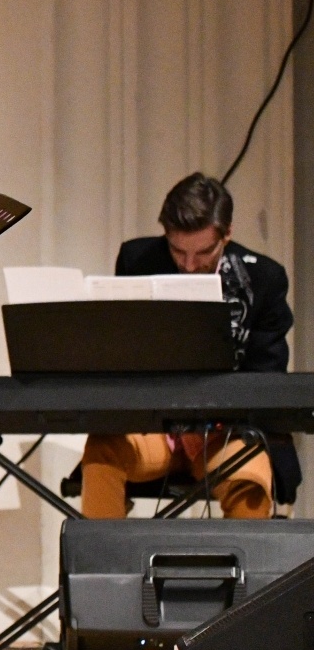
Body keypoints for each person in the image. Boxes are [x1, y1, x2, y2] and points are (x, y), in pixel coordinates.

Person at [80, 174, 295, 518]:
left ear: (227, 233)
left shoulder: (264, 278)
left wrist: (212, 419)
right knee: (103, 449)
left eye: (204, 252)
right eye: (177, 250)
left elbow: (267, 376)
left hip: (226, 433)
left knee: (250, 480)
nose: (190, 265)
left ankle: (246, 572)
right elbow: (126, 352)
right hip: (155, 428)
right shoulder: (138, 259)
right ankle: (101, 567)